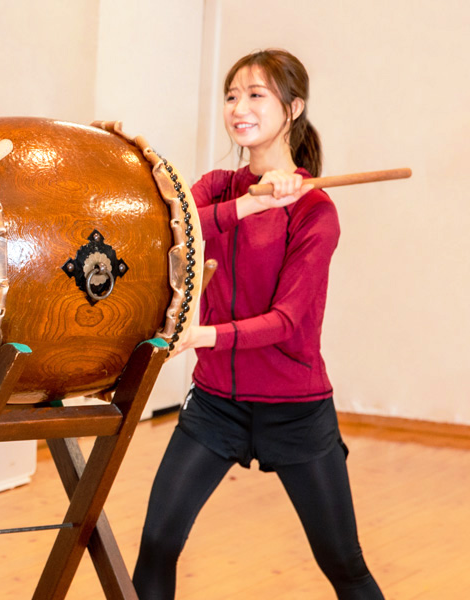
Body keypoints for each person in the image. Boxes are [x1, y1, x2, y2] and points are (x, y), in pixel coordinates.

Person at [131, 49, 384, 599]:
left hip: (296, 410)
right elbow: (167, 229)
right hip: (217, 404)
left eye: (255, 95)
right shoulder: (219, 187)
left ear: (292, 108)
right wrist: (246, 207)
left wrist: (205, 337)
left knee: (344, 564)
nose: (238, 108)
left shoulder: (317, 212)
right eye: (231, 96)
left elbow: (290, 321)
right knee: (156, 544)